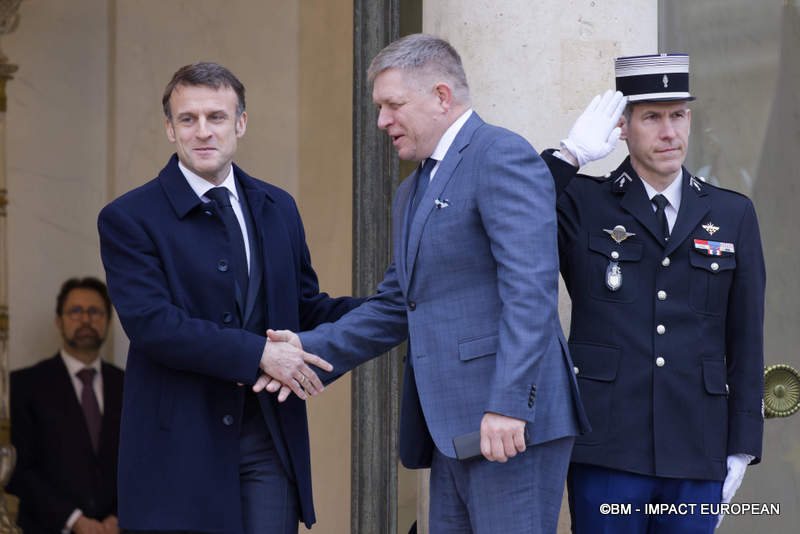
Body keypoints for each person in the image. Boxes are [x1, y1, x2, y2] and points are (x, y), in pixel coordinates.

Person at [261, 34, 589, 534]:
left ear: (441, 96)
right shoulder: (413, 189)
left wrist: (507, 403)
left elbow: (531, 292)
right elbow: (397, 304)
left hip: (508, 426)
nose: (382, 121)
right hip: (451, 430)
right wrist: (307, 349)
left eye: (393, 105)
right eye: (379, 107)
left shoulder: (500, 154)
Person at [97, 62, 361, 534]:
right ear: (170, 128)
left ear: (240, 123)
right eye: (188, 119)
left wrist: (391, 310)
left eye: (216, 117)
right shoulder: (129, 217)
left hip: (268, 439)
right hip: (178, 447)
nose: (203, 131)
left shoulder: (279, 207)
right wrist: (259, 354)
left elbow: (303, 309)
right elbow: (153, 324)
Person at [539, 53, 765, 533]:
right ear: (622, 126)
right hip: (608, 446)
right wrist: (568, 158)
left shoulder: (733, 214)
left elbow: (746, 338)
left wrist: (743, 443)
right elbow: (513, 218)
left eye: (678, 115)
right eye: (652, 117)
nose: (669, 132)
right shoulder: (583, 202)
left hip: (697, 446)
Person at [9, 277, 123, 534]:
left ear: (108, 321)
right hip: (49, 527)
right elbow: (18, 467)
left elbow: (143, 462)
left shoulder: (128, 387)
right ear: (58, 321)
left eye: (95, 311)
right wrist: (74, 520)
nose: (86, 320)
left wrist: (120, 516)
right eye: (75, 311)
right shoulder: (24, 385)